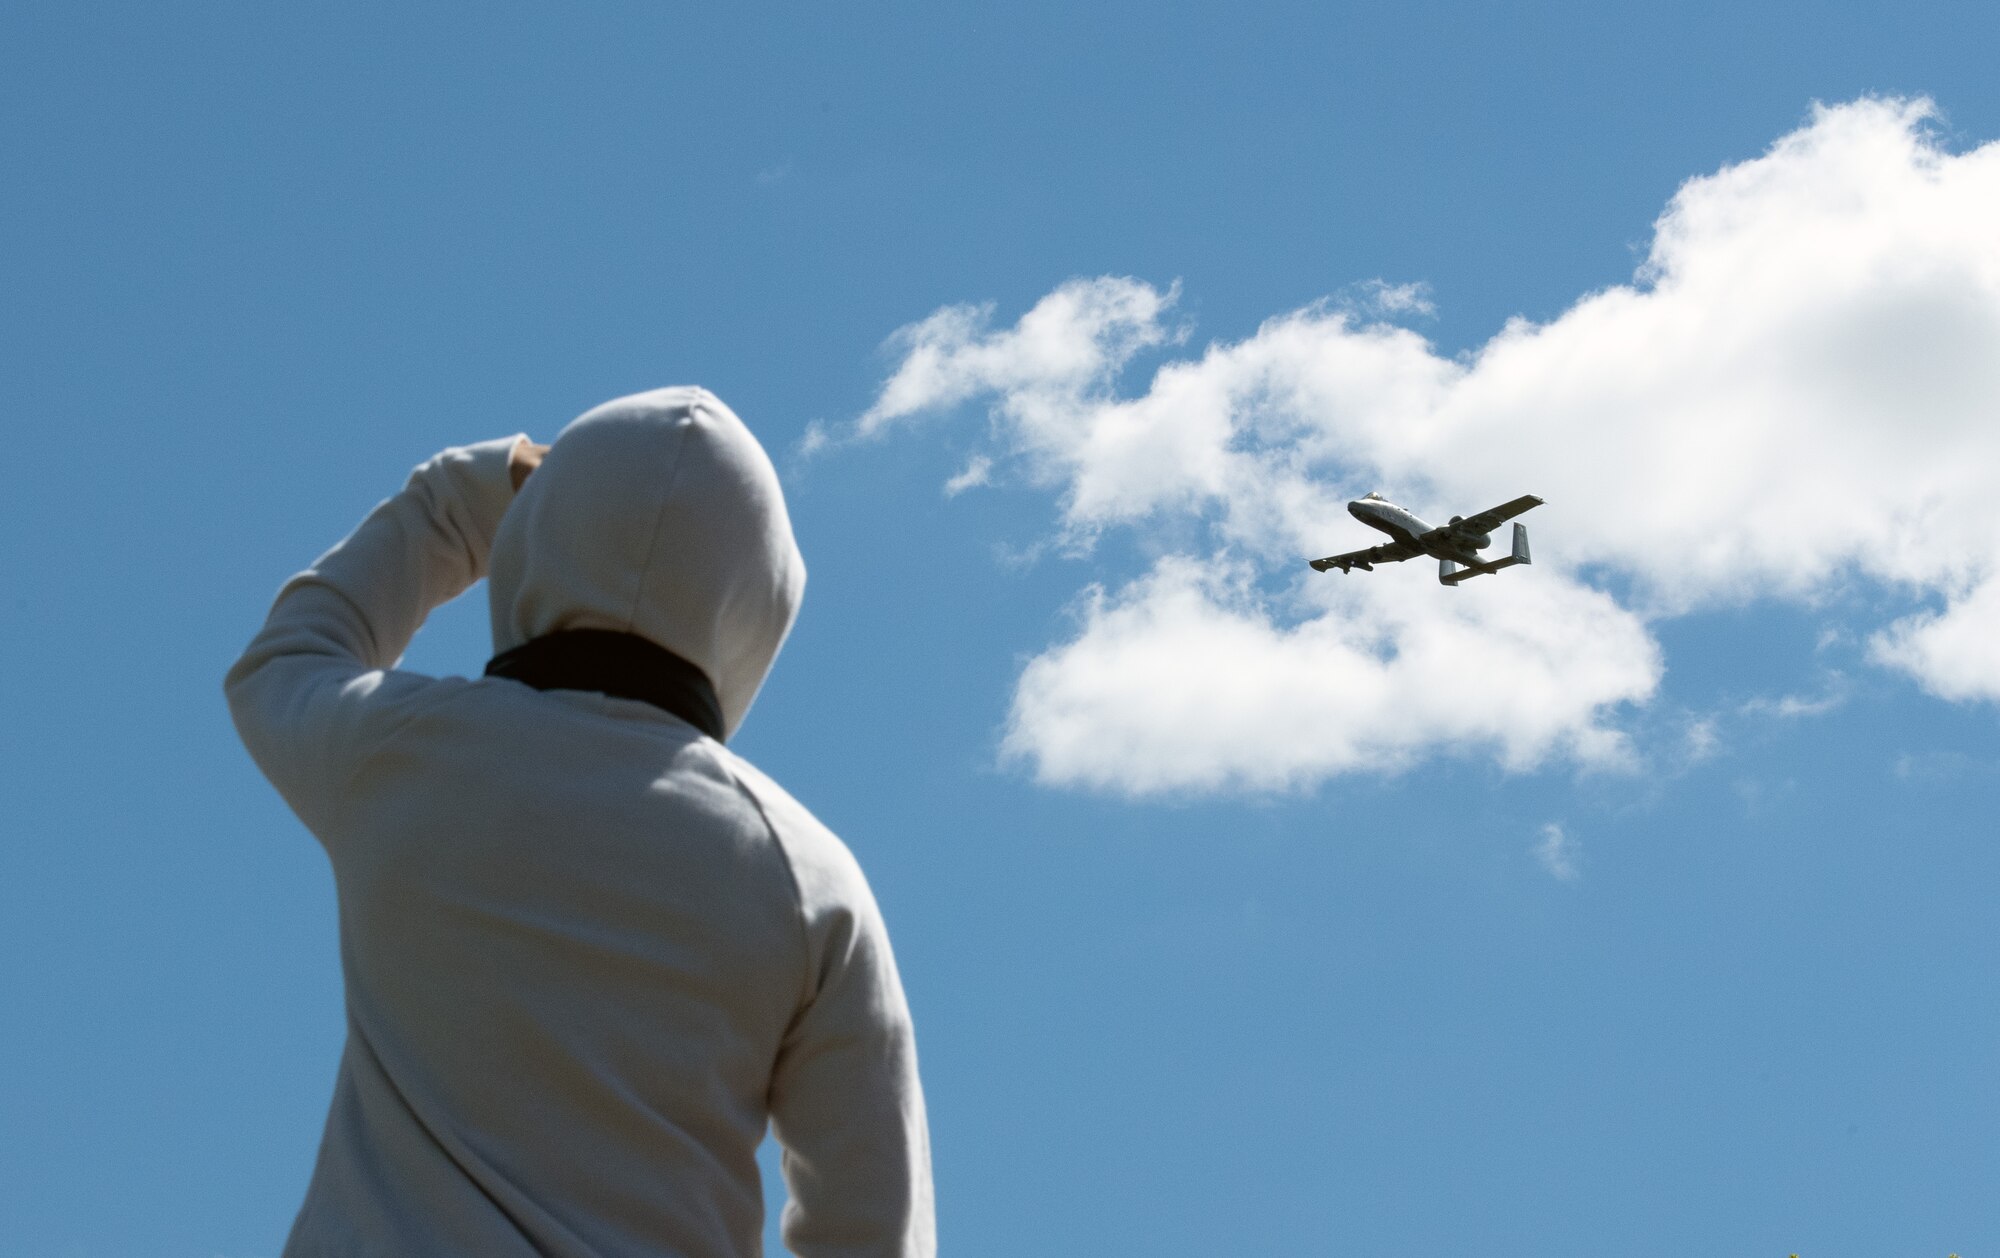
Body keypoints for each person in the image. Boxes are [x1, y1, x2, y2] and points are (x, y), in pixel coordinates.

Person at [225, 386, 934, 1257]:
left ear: (540, 539)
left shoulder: (404, 754)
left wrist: (469, 494)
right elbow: (872, 1229)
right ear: (759, 606)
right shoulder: (807, 875)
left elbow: (289, 658)